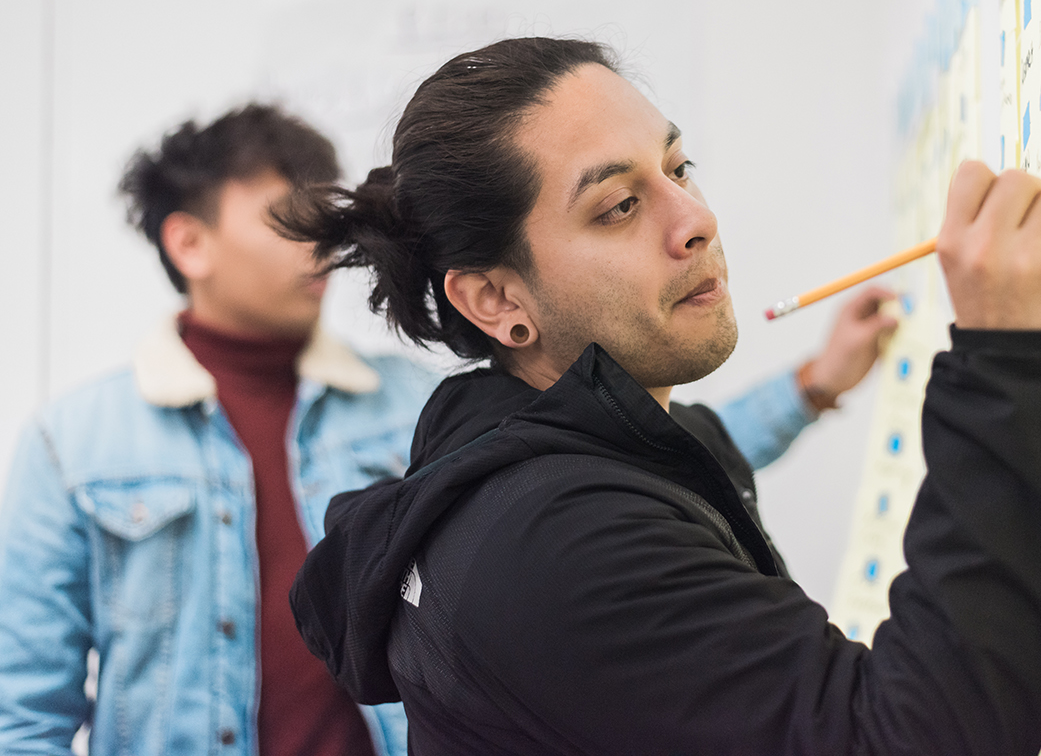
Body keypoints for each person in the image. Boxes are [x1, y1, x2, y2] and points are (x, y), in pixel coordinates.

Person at [0, 104, 888, 756]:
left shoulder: (413, 403)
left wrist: (812, 386)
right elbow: (26, 714)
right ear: (189, 243)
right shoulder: (73, 446)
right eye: (286, 218)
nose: (319, 248)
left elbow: (638, 441)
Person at [283, 37, 1041, 755]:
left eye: (677, 168)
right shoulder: (557, 544)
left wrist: (814, 384)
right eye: (619, 206)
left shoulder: (515, 436)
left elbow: (693, 448)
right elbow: (909, 739)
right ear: (497, 302)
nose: (695, 219)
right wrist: (1006, 355)